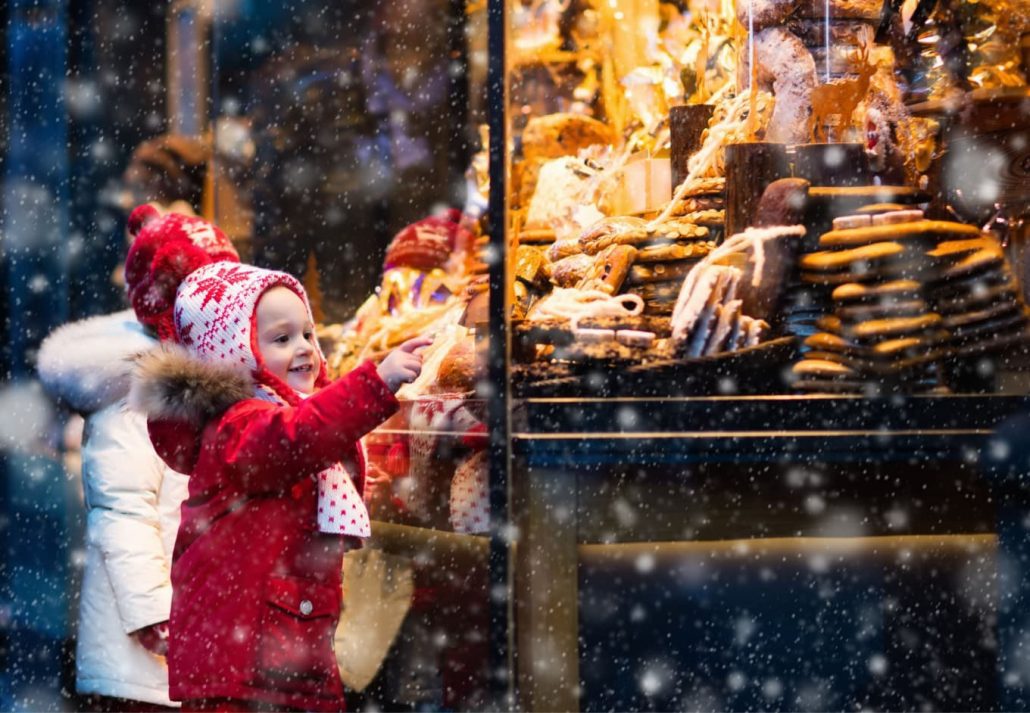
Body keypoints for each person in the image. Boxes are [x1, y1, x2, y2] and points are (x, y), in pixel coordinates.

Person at [127, 206, 428, 712]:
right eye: (281, 339)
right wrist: (377, 382)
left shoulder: (269, 423)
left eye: (308, 333)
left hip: (278, 649)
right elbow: (297, 439)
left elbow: (300, 457)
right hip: (247, 663)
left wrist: (353, 476)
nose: (307, 348)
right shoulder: (239, 425)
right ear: (235, 352)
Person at [36, 207, 241, 711]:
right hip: (148, 646)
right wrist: (154, 613)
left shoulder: (203, 378)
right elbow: (122, 511)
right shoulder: (137, 389)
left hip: (193, 624)